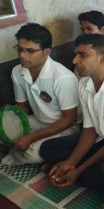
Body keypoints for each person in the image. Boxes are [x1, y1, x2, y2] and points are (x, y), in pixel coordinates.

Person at [39, 34, 104, 191]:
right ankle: (71, 165)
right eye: (76, 54)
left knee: (92, 177)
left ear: (102, 59)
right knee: (47, 148)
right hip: (102, 136)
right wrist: (72, 161)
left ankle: (80, 169)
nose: (75, 61)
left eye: (82, 55)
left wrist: (77, 170)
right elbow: (89, 129)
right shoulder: (85, 84)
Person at [2, 23, 79, 165]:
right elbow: (22, 107)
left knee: (32, 152)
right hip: (38, 121)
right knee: (5, 131)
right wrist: (11, 126)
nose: (22, 55)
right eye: (20, 49)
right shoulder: (17, 71)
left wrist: (30, 137)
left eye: (30, 51)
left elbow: (69, 120)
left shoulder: (62, 78)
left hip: (65, 128)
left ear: (46, 52)